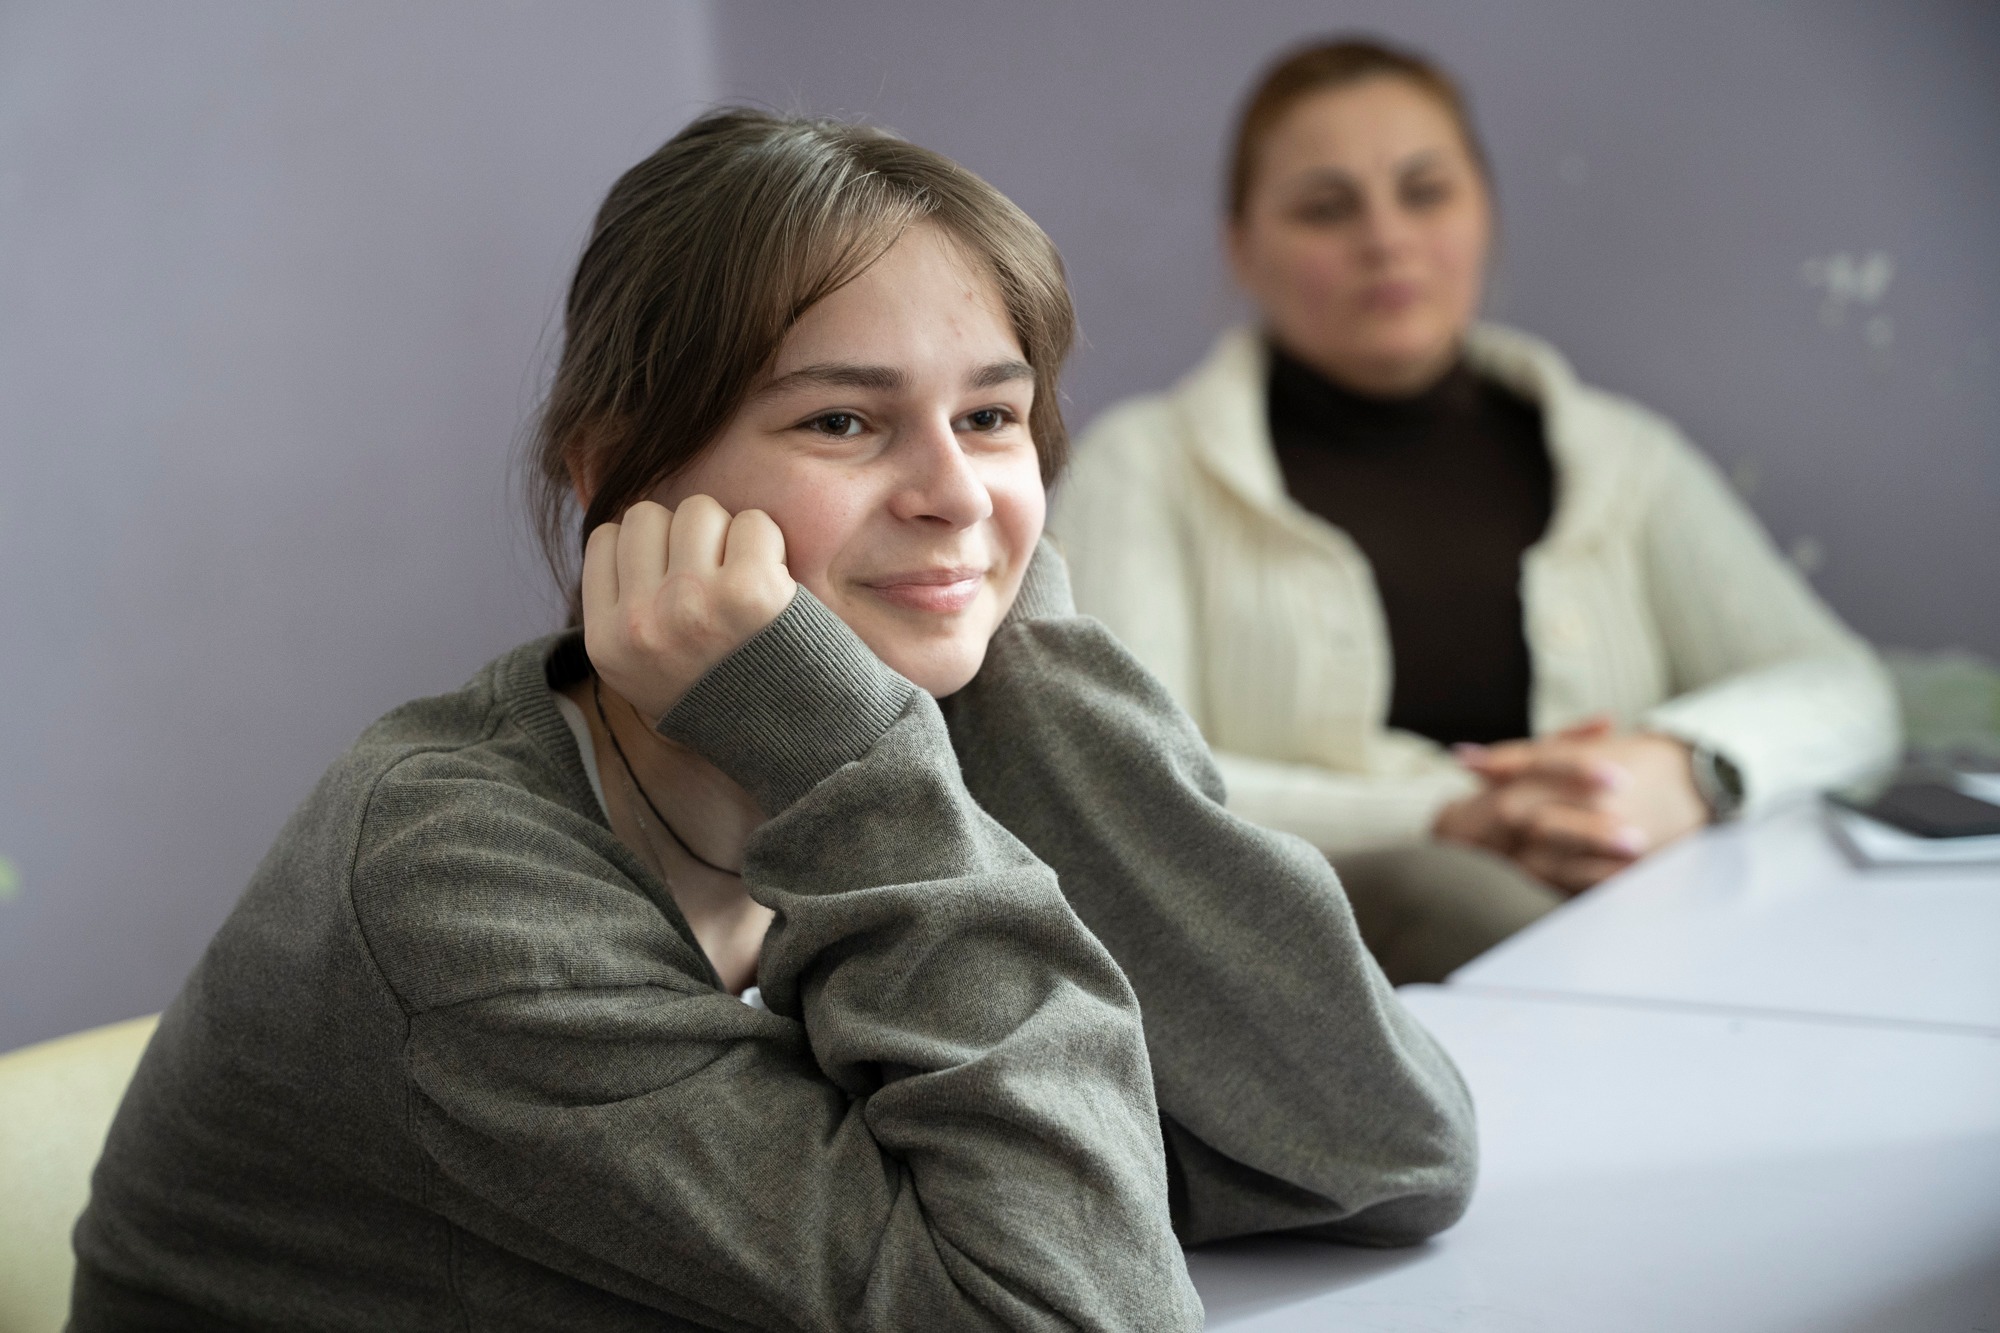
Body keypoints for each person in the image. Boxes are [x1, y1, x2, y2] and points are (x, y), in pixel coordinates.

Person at [71, 110, 1476, 1332]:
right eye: (843, 424)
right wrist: (845, 748)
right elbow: (1074, 1306)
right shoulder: (455, 888)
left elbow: (1382, 1148)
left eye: (992, 419)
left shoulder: (910, 735)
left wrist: (1012, 648)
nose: (954, 490)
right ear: (618, 473)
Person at [1051, 38, 1899, 986]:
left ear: (1485, 210)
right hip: (1320, 989)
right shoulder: (1144, 468)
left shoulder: (1621, 456)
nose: (1386, 238)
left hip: (1662, 952)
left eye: (1425, 192)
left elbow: (1844, 687)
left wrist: (1684, 767)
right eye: (1327, 207)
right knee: (1460, 902)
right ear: (1241, 247)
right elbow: (1117, 778)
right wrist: (1447, 816)